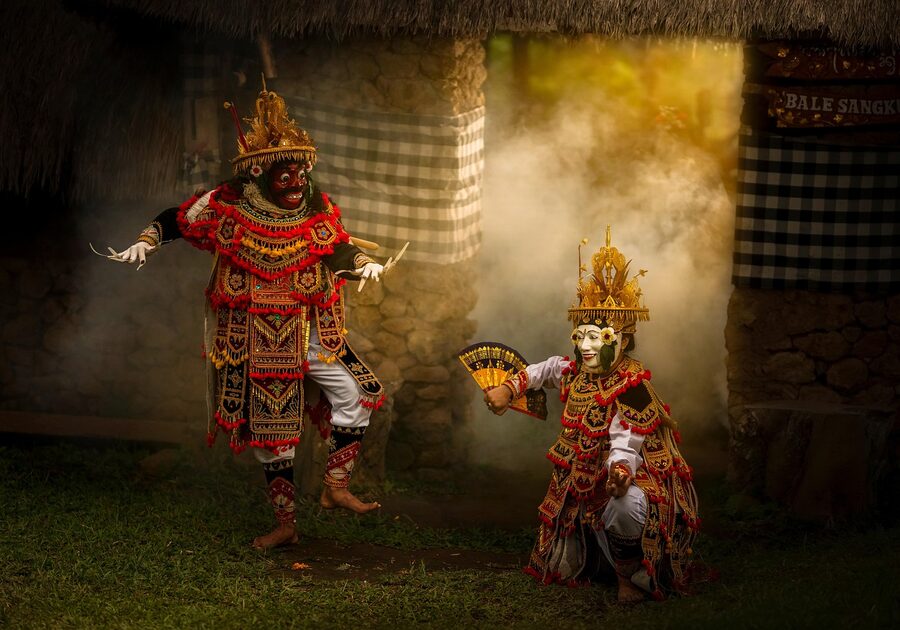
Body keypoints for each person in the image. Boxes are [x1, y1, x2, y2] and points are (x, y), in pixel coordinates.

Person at [110, 81, 393, 549]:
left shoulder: (316, 207)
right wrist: (147, 242)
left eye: (300, 175)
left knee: (361, 393)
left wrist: (363, 264)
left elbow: (336, 247)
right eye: (285, 177)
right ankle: (285, 524)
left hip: (313, 330)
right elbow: (175, 218)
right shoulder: (228, 204)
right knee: (271, 432)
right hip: (256, 337)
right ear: (261, 175)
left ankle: (335, 486)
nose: (296, 184)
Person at [484, 228, 700, 603]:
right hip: (578, 485)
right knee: (563, 565)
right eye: (580, 334)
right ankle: (605, 561)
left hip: (621, 480)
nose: (584, 345)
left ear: (623, 340)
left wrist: (620, 473)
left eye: (597, 337)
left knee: (626, 505)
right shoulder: (575, 372)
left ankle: (629, 577)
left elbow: (624, 442)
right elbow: (547, 369)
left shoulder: (631, 386)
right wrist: (509, 388)